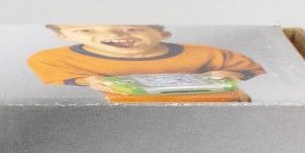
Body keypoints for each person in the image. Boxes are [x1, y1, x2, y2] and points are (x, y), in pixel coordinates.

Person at [27, 24, 263, 102]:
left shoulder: (207, 54)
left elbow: (255, 73)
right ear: (63, 35)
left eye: (132, 27)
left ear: (163, 33)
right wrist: (87, 81)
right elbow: (53, 83)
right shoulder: (52, 58)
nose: (113, 33)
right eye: (86, 30)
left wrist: (234, 75)